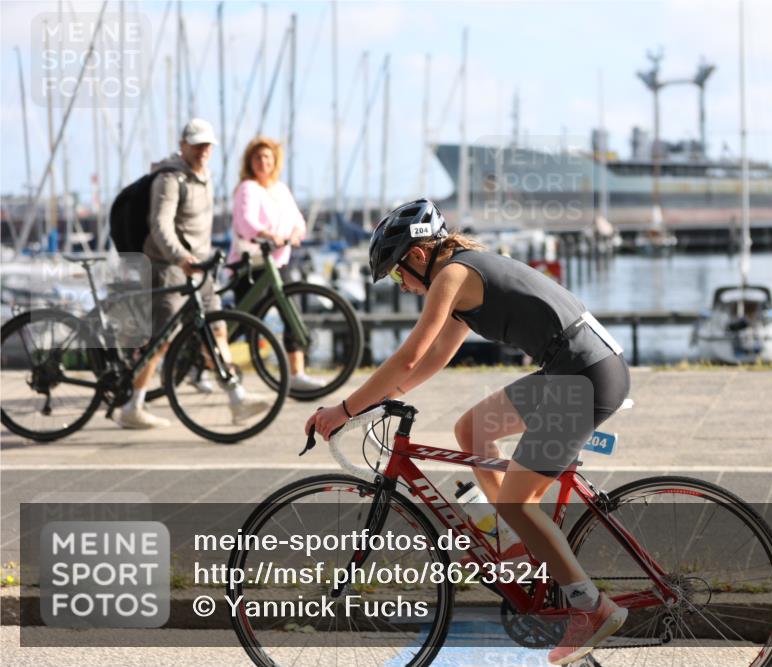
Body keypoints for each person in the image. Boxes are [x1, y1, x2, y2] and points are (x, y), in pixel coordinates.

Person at [305, 199, 631, 665]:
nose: (404, 287)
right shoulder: (460, 279)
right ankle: (518, 543)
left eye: (399, 276)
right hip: (575, 368)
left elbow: (410, 356)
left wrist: (343, 408)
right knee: (473, 429)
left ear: (417, 256)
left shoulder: (452, 276)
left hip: (583, 376)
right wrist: (368, 403)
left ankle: (592, 609)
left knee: (517, 500)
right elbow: (431, 362)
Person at [116, 118, 269, 429]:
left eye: (207, 145)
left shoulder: (205, 176)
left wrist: (200, 259)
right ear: (183, 145)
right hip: (167, 267)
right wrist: (180, 257)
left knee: (218, 331)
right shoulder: (170, 179)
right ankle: (133, 406)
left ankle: (237, 397)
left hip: (200, 268)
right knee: (160, 341)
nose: (202, 150)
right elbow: (161, 225)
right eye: (196, 144)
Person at [228, 136, 323, 392]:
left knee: (291, 314)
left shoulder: (280, 189)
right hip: (251, 263)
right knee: (240, 322)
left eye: (267, 157)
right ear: (250, 162)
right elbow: (245, 223)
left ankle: (297, 373)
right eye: (257, 157)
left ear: (275, 161)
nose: (262, 162)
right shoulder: (246, 188)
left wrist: (294, 235)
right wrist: (269, 235)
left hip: (279, 263)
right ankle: (204, 363)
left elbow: (298, 220)